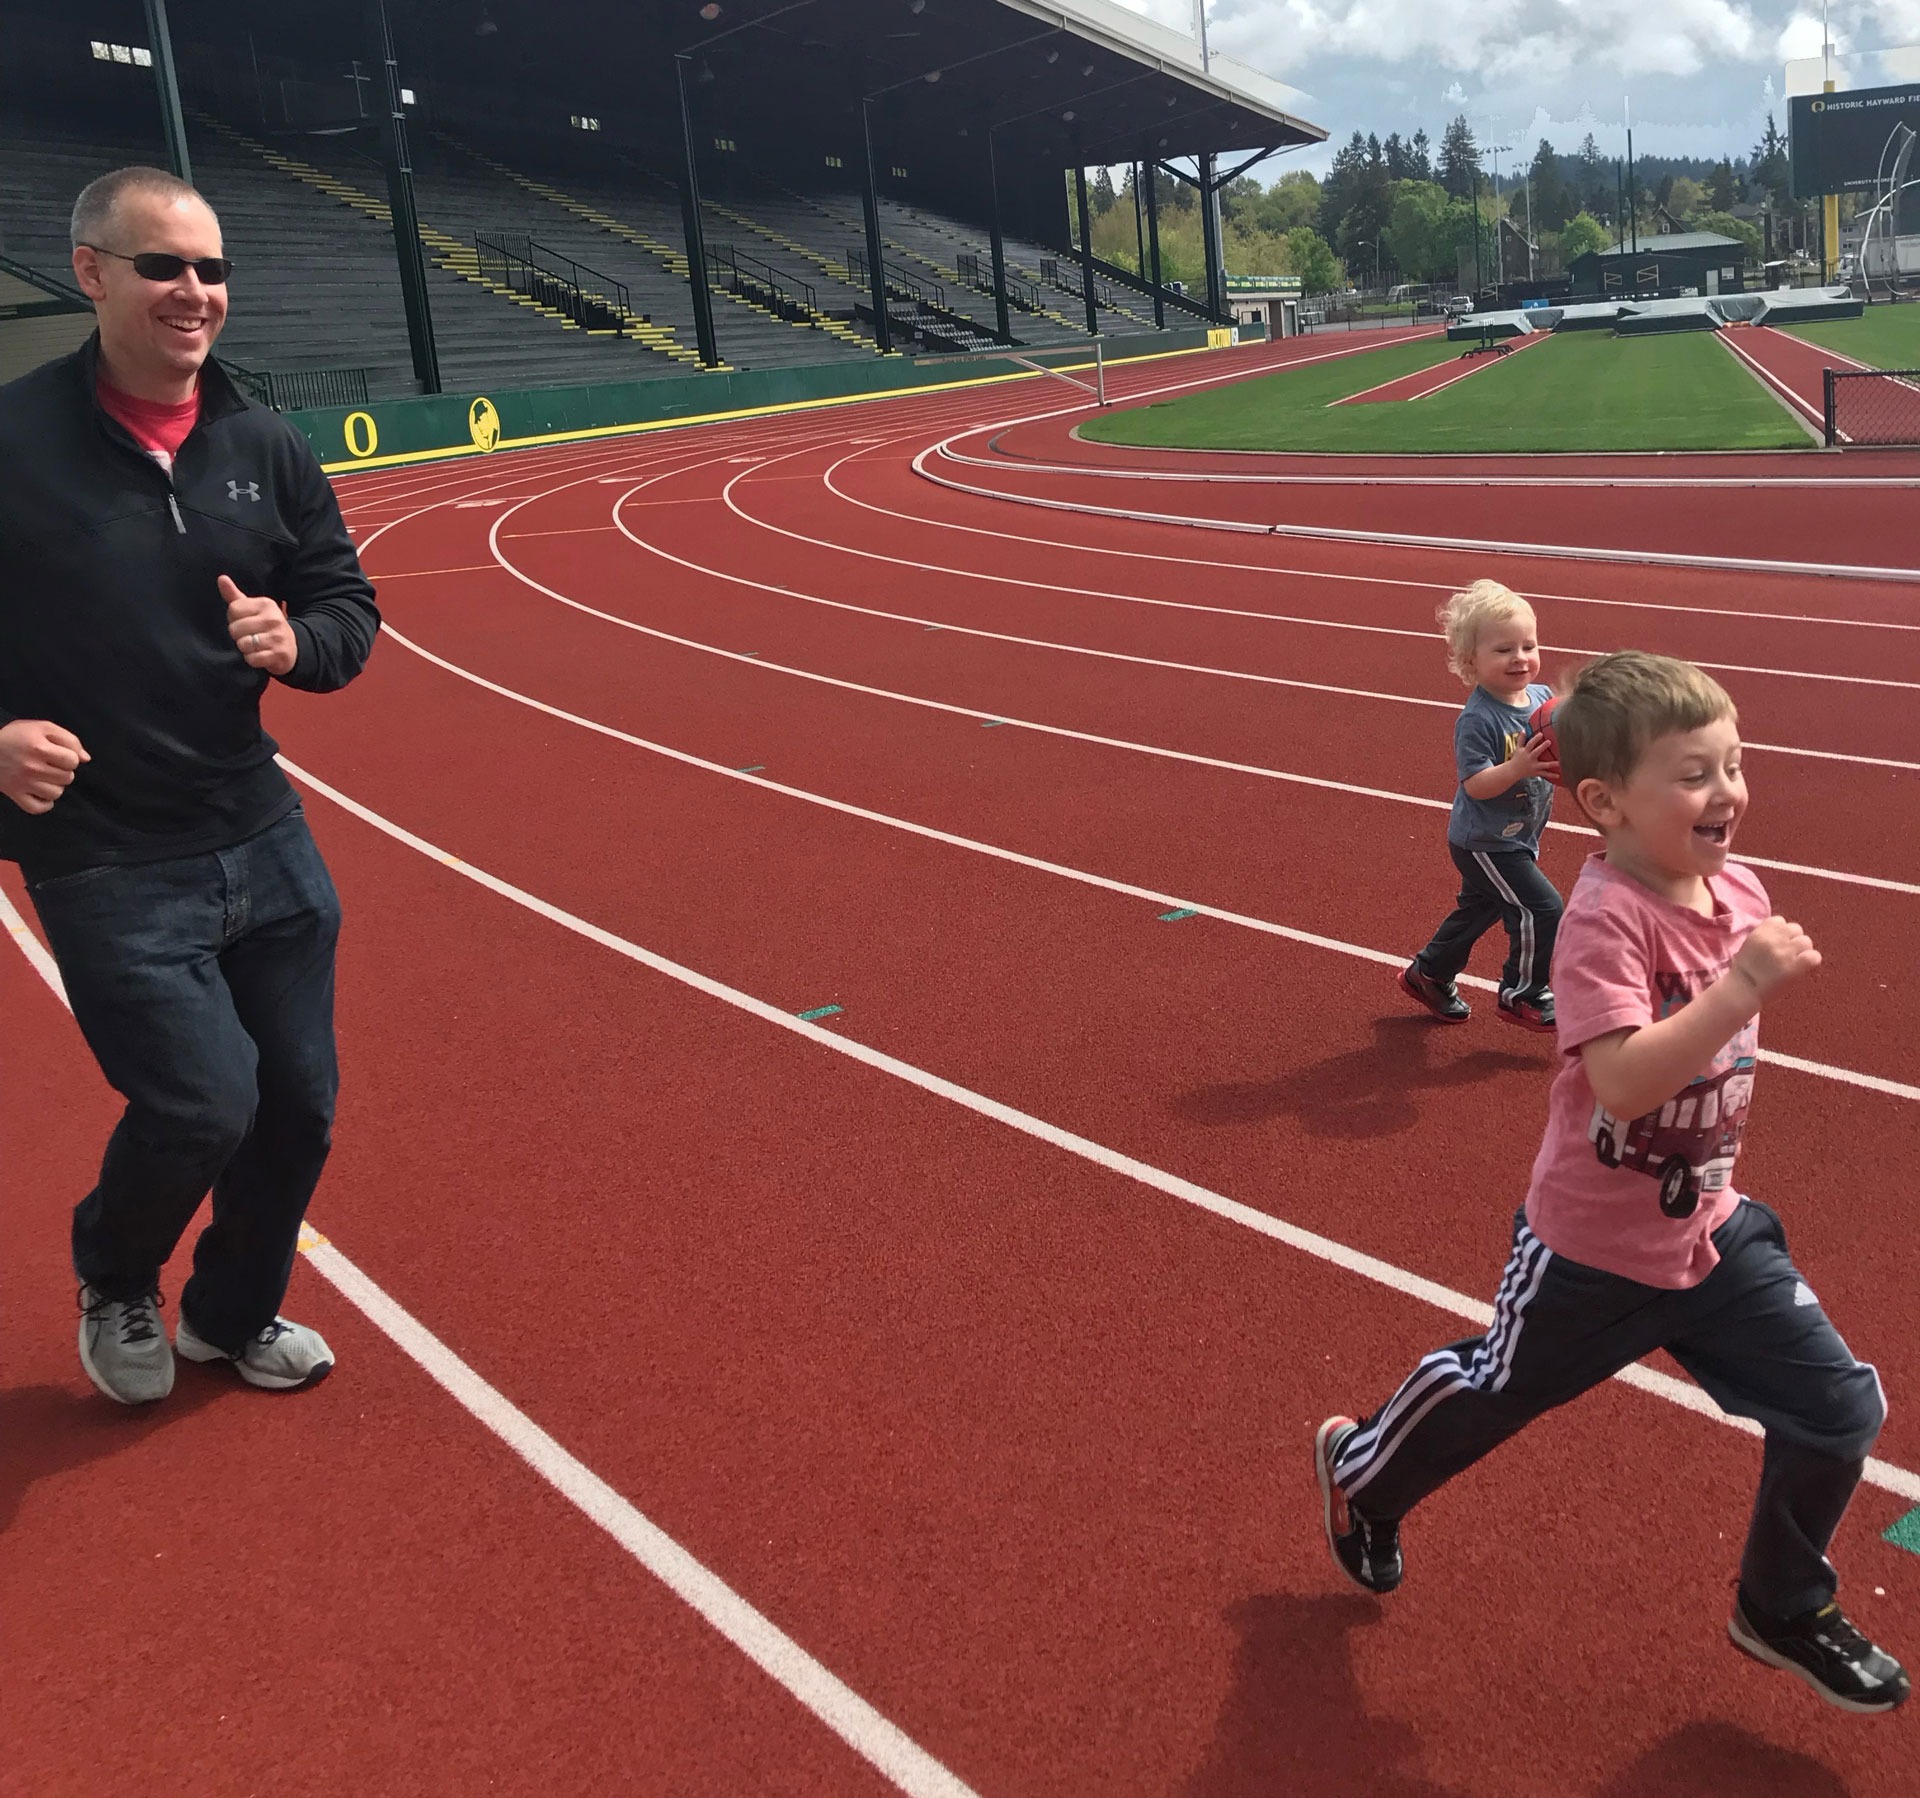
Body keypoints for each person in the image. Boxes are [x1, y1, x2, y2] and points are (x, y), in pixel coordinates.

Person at [1317, 651, 1906, 1714]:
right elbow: (1626, 1081)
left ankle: (1778, 1602)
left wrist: (1738, 981)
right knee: (1495, 1389)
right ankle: (1361, 1468)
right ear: (1604, 805)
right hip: (1590, 1252)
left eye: (1733, 762)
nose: (1725, 790)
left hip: (1712, 1233)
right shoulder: (1602, 917)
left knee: (1838, 1408)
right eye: (1692, 773)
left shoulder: (1739, 886)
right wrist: (1740, 989)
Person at [0, 167, 379, 1404]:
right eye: (164, 264)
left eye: (212, 269)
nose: (194, 292)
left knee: (302, 1104)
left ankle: (233, 1310)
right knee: (204, 1100)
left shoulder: (262, 441)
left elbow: (345, 603)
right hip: (106, 855)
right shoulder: (15, 443)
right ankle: (116, 1272)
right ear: (91, 270)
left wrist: (299, 645)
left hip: (257, 827)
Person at [1399, 579, 1562, 1031]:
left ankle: (1429, 974)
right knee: (1542, 908)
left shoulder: (1544, 701)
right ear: (1471, 661)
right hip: (1484, 842)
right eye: (1504, 649)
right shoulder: (1478, 719)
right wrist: (1517, 768)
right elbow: (1476, 785)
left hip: (1519, 835)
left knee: (1481, 908)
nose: (1520, 658)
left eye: (1529, 645)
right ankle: (1523, 993)